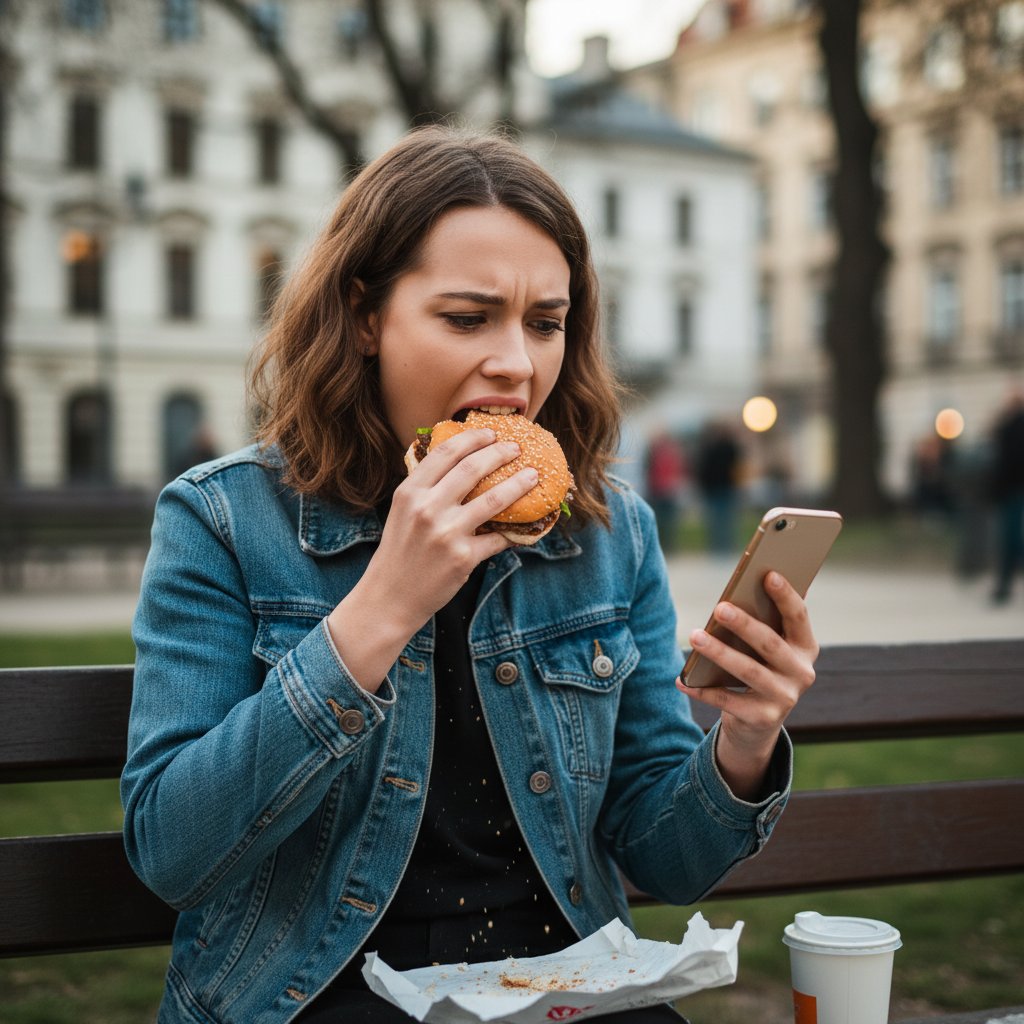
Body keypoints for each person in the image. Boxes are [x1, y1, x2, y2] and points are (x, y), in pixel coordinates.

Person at [121, 125, 820, 1024]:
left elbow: (667, 862)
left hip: (564, 987)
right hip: (314, 992)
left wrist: (745, 742)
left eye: (545, 324)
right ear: (365, 316)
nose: (517, 366)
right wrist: (382, 609)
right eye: (466, 318)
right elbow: (173, 852)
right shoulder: (224, 519)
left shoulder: (610, 533)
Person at [989, 389, 1024, 603]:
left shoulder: (1012, 428)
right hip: (1011, 489)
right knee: (1010, 539)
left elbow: (1005, 462)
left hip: (1013, 489)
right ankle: (1003, 585)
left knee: (1010, 539)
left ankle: (1003, 585)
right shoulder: (1009, 427)